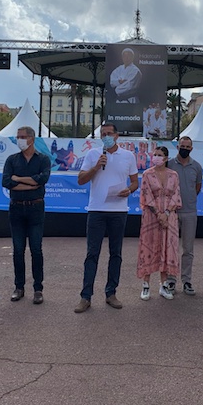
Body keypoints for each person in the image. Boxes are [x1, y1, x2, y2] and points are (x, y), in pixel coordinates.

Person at [74, 122, 139, 313]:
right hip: (96, 210)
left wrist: (129, 190)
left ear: (117, 136)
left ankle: (111, 293)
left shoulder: (128, 156)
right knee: (92, 254)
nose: (106, 136)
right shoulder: (93, 154)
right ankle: (85, 297)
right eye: (103, 134)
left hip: (119, 211)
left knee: (116, 253)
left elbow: (135, 182)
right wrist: (96, 167)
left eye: (109, 133)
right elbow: (81, 179)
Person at [2, 126, 52, 304]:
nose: (19, 140)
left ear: (32, 138)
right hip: (16, 208)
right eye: (18, 137)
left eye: (22, 137)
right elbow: (7, 182)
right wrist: (31, 183)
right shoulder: (11, 160)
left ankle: (38, 289)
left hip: (35, 208)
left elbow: (42, 180)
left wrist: (19, 179)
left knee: (36, 249)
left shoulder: (43, 159)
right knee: (17, 250)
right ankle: (19, 287)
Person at [137, 146, 182, 300]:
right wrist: (158, 214)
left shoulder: (174, 175)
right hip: (151, 216)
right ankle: (146, 285)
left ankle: (163, 286)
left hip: (170, 218)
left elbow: (177, 195)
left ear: (166, 158)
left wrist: (167, 213)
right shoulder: (147, 174)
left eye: (160, 155)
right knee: (149, 247)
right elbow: (146, 195)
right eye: (154, 154)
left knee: (167, 249)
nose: (156, 157)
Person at [167, 136, 202, 295]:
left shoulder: (197, 166)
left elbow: (197, 187)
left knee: (188, 249)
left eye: (188, 146)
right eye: (183, 145)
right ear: (177, 146)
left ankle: (186, 281)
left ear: (192, 149)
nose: (185, 148)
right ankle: (171, 281)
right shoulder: (169, 165)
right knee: (171, 248)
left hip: (189, 212)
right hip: (172, 212)